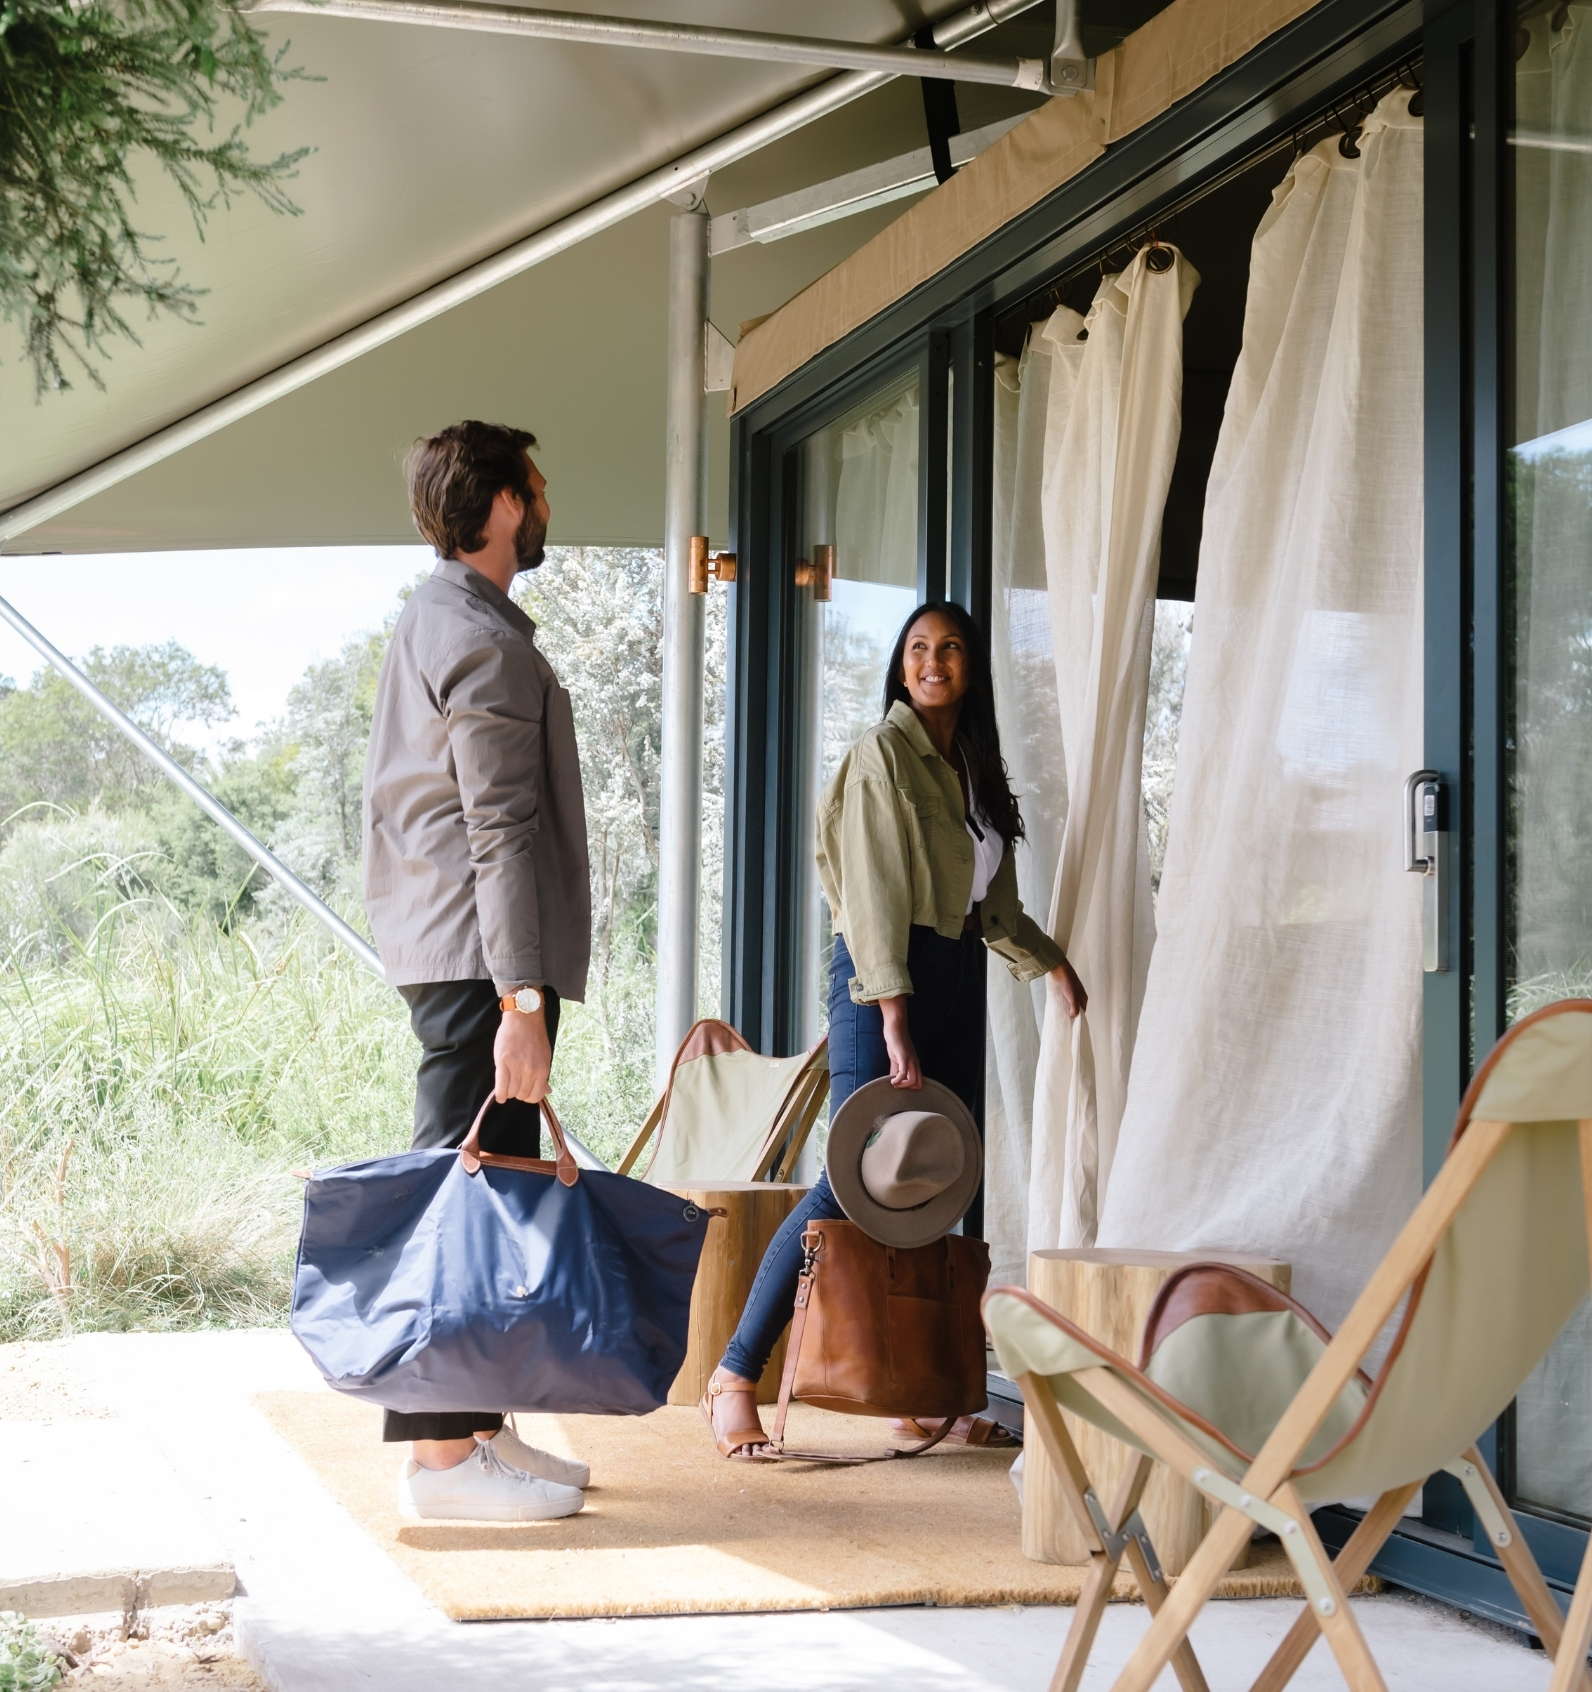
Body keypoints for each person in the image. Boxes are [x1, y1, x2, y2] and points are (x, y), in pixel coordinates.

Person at [700, 600, 1087, 1461]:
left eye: (949, 648)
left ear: (972, 666)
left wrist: (1051, 965)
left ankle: (919, 1397)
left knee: (934, 1186)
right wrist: (894, 1016)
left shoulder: (974, 772)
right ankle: (734, 1374)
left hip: (953, 973)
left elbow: (995, 909)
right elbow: (872, 896)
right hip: (885, 977)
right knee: (858, 1182)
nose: (932, 661)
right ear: (901, 666)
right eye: (917, 648)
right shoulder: (886, 755)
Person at [363, 419, 594, 1521]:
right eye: (536, 489)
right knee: (462, 1196)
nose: (546, 505)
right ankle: (442, 1465)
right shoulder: (483, 641)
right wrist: (520, 999)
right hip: (477, 957)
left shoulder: (440, 618)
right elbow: (497, 830)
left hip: (453, 946)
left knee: (487, 1191)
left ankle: (476, 1429)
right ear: (500, 506)